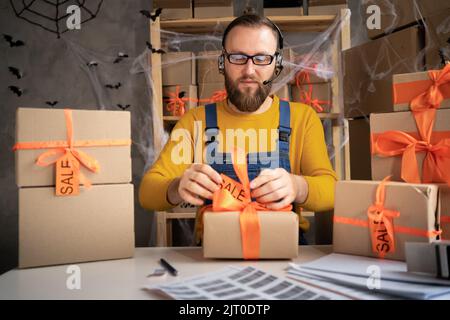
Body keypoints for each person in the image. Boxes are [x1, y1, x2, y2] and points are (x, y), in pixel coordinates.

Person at [139, 14, 337, 245]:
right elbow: (147, 193)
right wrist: (176, 187)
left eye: (262, 58)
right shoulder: (195, 122)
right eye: (238, 57)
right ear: (223, 62)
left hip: (283, 248)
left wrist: (297, 186)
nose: (249, 70)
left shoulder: (302, 118)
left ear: (277, 64)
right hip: (215, 248)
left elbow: (332, 191)